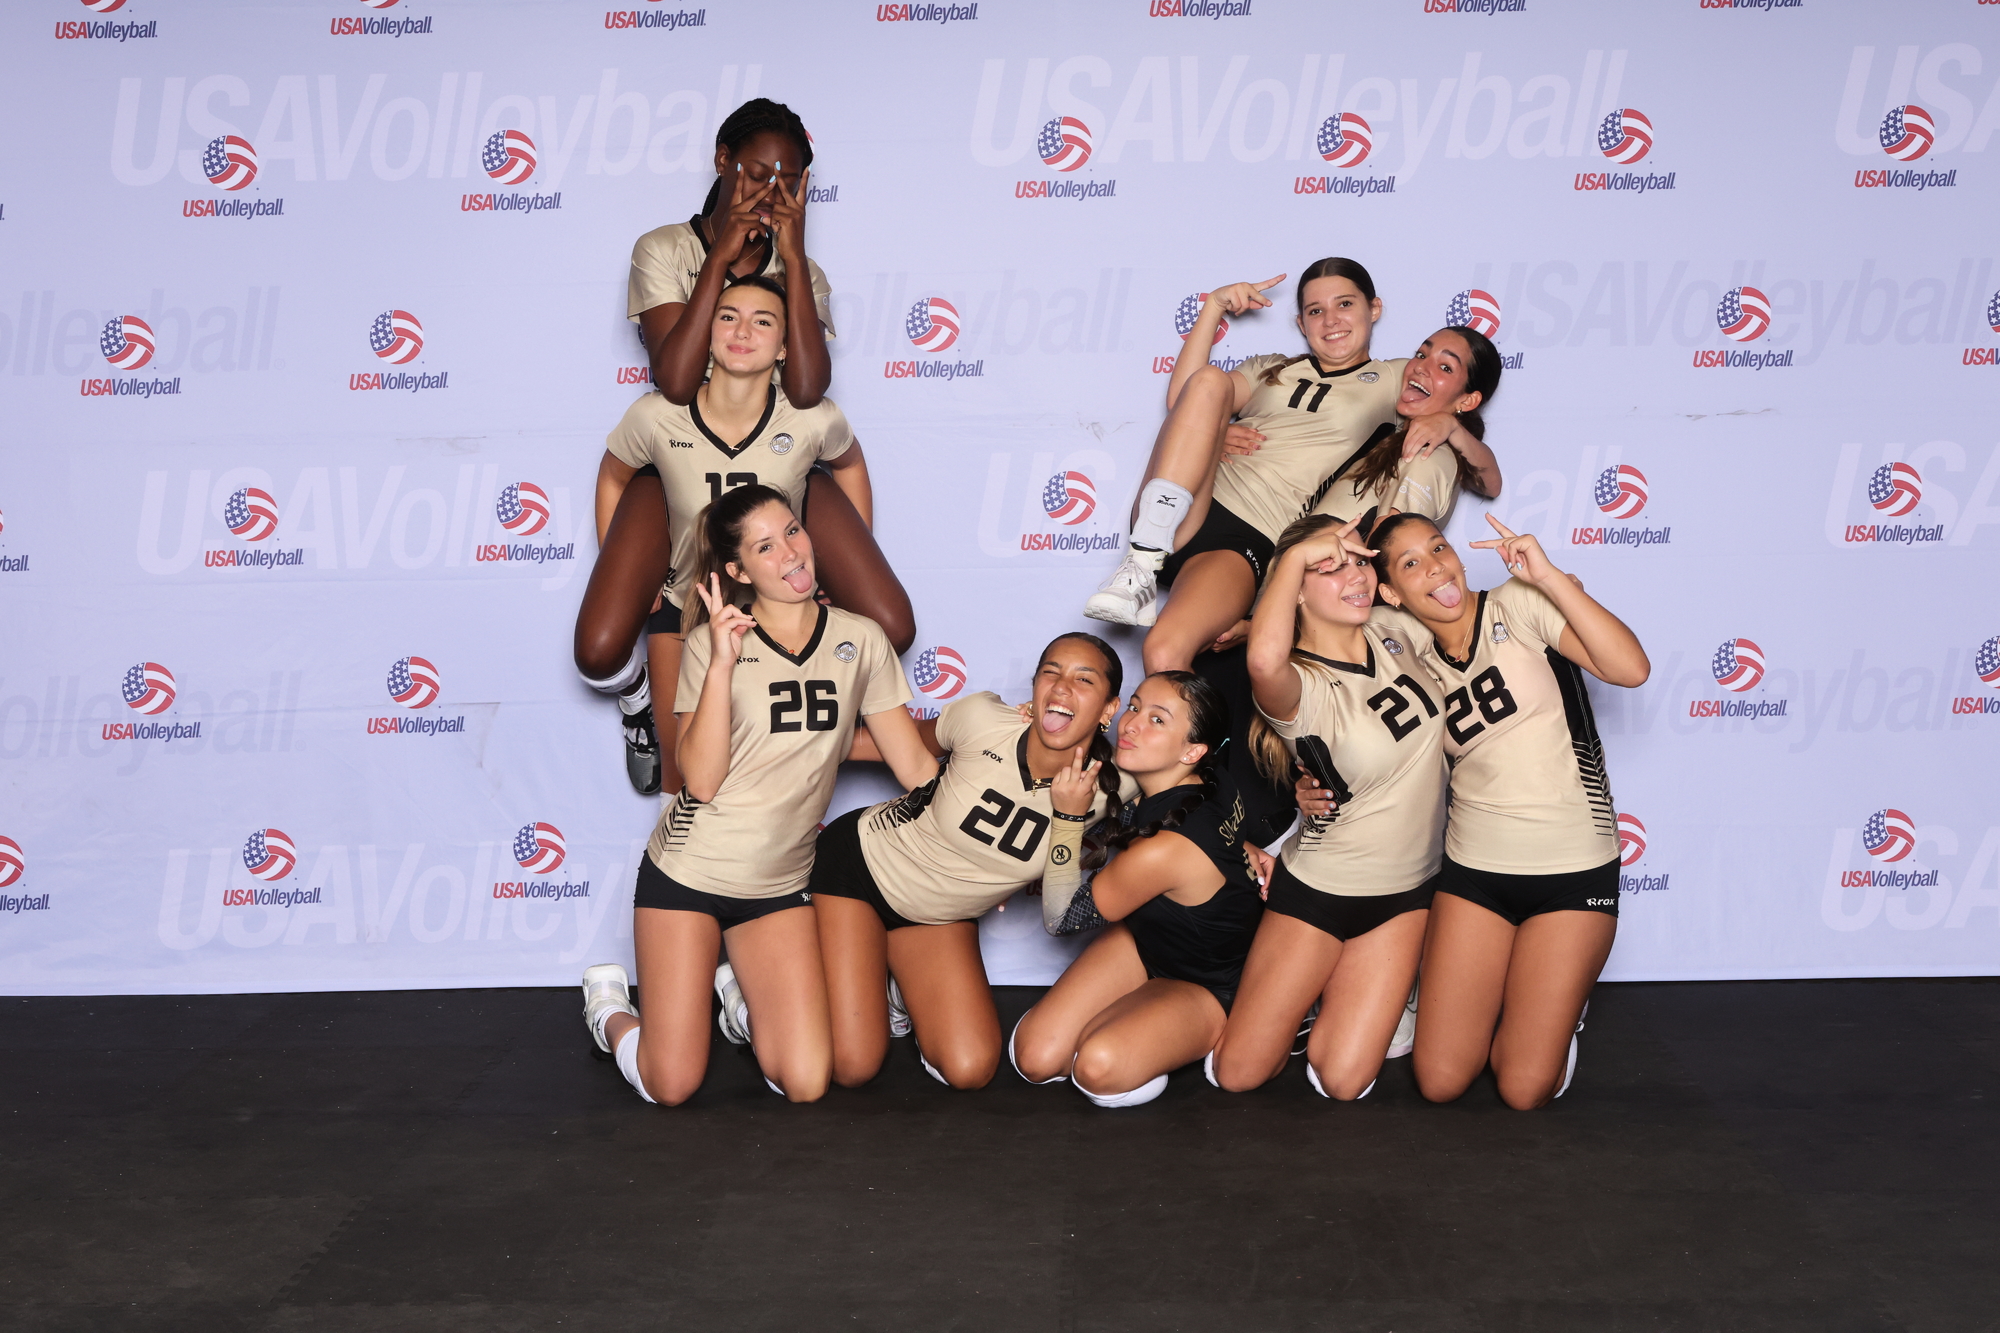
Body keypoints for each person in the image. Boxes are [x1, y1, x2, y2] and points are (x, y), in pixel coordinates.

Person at [579, 99, 912, 794]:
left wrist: (791, 253)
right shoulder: (664, 249)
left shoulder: (803, 272)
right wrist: (723, 255)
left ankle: (822, 721)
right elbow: (675, 379)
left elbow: (810, 387)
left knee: (890, 624)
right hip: (682, 461)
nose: (769, 192)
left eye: (788, 182)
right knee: (600, 649)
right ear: (723, 160)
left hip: (778, 466)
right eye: (757, 173)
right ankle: (639, 698)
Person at [578, 485, 936, 1107]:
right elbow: (700, 780)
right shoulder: (707, 646)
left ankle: (740, 1005)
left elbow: (913, 767)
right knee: (672, 1084)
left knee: (807, 1081)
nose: (791, 553)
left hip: (778, 885)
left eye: (792, 531)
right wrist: (721, 662)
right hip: (690, 872)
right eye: (765, 547)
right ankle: (608, 1010)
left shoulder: (862, 640)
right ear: (738, 571)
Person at [1082, 259, 1498, 677]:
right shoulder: (1271, 367)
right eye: (1316, 310)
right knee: (1208, 381)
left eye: (1345, 304)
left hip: (1248, 538)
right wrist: (1214, 308)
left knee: (1163, 652)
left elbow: (1487, 478)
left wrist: (1451, 426)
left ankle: (1181, 715)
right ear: (1301, 322)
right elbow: (1186, 399)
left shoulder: (1394, 377)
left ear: (1374, 309)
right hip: (1189, 503)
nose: (1331, 320)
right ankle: (1140, 565)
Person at [1369, 512, 1650, 1109]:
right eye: (1411, 563)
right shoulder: (1405, 654)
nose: (1435, 567)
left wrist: (1550, 578)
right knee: (1440, 1081)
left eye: (1438, 548)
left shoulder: (1518, 604)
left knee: (1524, 1088)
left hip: (1572, 871)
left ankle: (1557, 1014)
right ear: (1390, 592)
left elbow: (1631, 670)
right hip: (1475, 874)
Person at [812, 634, 1128, 1091]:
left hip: (939, 915)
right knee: (853, 1066)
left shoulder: (1116, 786)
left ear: (1108, 708)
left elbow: (1186, 782)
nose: (1062, 687)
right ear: (1035, 685)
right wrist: (798, 746)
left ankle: (898, 986)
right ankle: (750, 988)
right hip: (861, 867)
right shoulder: (984, 719)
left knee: (970, 1069)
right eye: (1051, 672)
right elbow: (900, 745)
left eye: (1084, 679)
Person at [1207, 514, 1448, 1103]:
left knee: (1343, 1080)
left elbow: (1465, 632)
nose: (1357, 576)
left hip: (1406, 893)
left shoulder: (1396, 629)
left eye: (1360, 561)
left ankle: (1348, 992)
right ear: (1295, 588)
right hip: (1320, 889)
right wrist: (1294, 556)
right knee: (1239, 1072)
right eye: (1331, 566)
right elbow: (1262, 662)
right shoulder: (1300, 684)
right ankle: (1299, 991)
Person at [1011, 672, 1265, 1107]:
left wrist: (1068, 817)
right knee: (1035, 1057)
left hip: (1211, 983)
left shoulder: (1161, 852)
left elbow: (1061, 919)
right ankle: (1137, 1025)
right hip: (1147, 940)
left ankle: (1163, 1040)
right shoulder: (1208, 777)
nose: (1131, 724)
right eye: (1134, 707)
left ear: (1192, 751)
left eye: (1157, 720)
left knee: (1097, 1067)